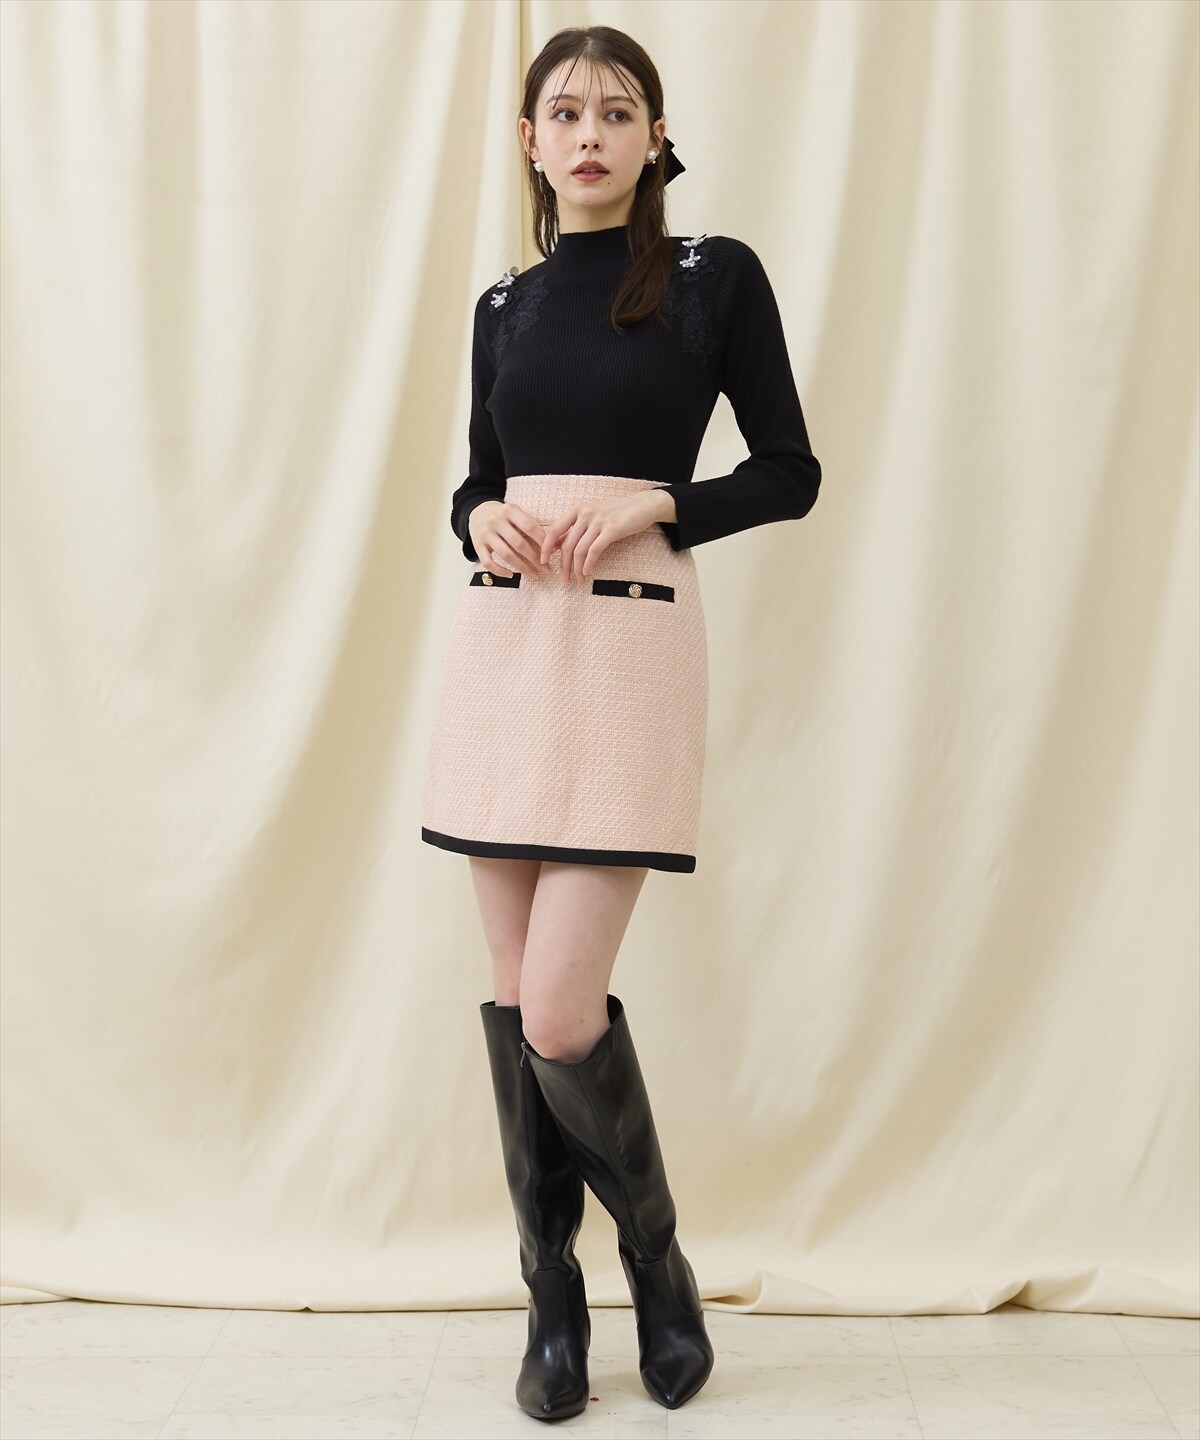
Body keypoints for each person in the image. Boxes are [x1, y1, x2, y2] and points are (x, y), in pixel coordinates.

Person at [421, 24, 822, 1423]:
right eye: (565, 112)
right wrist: (478, 512)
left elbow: (789, 470)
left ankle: (656, 1264)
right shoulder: (504, 304)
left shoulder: (713, 279)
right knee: (510, 992)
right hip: (503, 641)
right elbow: (479, 475)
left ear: (657, 137)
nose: (589, 133)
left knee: (558, 1004)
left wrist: (663, 501)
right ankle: (553, 1295)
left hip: (631, 646)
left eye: (617, 111)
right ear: (530, 142)